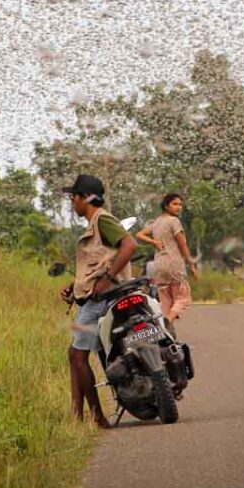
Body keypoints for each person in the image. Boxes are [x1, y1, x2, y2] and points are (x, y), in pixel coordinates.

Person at [58, 174, 136, 428]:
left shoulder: (103, 220)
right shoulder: (95, 225)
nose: (73, 203)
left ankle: (97, 417)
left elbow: (129, 244)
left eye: (74, 197)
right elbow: (99, 263)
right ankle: (77, 415)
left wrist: (108, 279)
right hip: (97, 294)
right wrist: (74, 286)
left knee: (78, 357)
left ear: (85, 198)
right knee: (74, 354)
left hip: (101, 299)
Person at [135, 193, 198, 335]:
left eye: (180, 204)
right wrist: (192, 265)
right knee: (182, 299)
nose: (179, 207)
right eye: (175, 204)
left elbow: (139, 234)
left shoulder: (156, 222)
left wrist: (153, 242)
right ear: (166, 206)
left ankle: (167, 336)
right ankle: (166, 323)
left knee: (166, 302)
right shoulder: (173, 221)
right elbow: (183, 245)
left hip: (159, 265)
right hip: (173, 263)